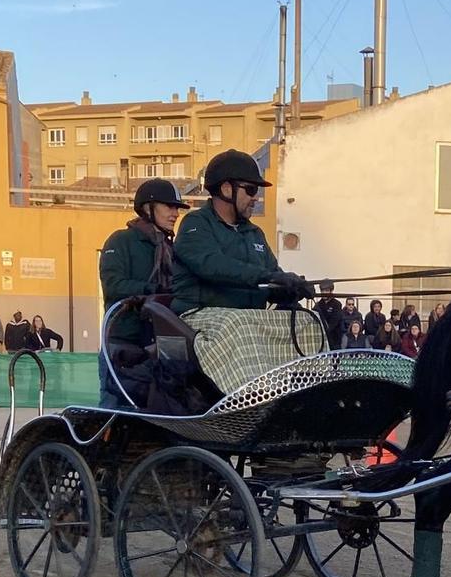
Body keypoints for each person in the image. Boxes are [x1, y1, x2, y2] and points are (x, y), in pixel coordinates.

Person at [170, 149, 310, 314]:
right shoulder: (196, 224)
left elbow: (271, 277)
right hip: (203, 316)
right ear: (227, 189)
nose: (255, 198)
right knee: (243, 333)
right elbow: (212, 265)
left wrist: (291, 288)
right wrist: (266, 277)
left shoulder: (254, 233)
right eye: (251, 189)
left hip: (248, 321)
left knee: (311, 326)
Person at [98, 178, 197, 410]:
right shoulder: (121, 240)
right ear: (147, 208)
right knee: (113, 409)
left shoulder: (173, 249)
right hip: (122, 342)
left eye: (177, 208)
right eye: (168, 206)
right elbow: (113, 284)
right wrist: (150, 291)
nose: (175, 213)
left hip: (158, 345)